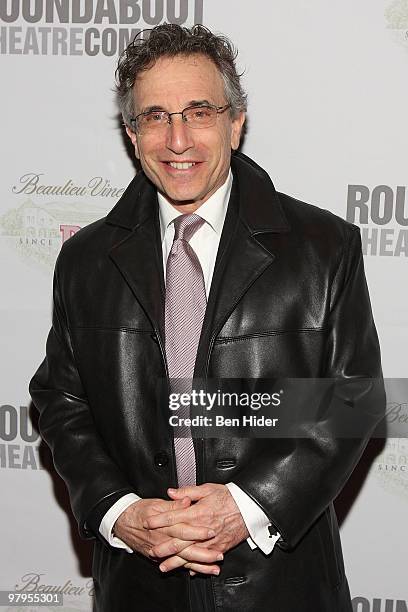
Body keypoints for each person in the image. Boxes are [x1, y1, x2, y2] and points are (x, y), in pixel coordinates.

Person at [30, 23, 384, 612]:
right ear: (131, 132)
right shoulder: (85, 259)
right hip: (139, 586)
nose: (178, 139)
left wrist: (246, 505)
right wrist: (121, 512)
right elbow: (64, 403)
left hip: (283, 587)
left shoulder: (325, 247)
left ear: (235, 121)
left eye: (199, 111)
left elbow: (355, 399)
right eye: (155, 116)